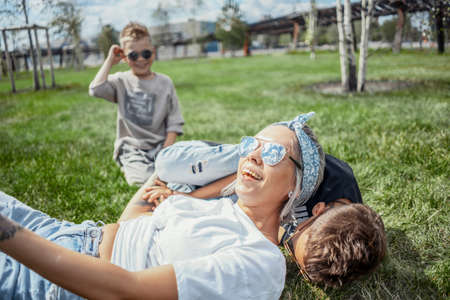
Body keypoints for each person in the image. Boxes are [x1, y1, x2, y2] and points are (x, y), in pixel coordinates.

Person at [0, 113, 386, 299]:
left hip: (61, 280)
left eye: (270, 151)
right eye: (250, 144)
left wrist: (8, 233)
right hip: (69, 233)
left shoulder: (262, 263)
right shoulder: (224, 208)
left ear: (296, 188)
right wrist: (156, 188)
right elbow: (136, 225)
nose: (252, 154)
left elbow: (126, 289)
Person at [89, 22, 184, 186]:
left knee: (183, 172)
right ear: (125, 57)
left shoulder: (165, 82)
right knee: (144, 181)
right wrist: (110, 60)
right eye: (133, 55)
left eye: (146, 53)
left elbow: (174, 124)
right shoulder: (121, 81)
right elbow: (95, 89)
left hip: (161, 147)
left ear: (153, 53)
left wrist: (165, 151)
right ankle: (130, 165)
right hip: (133, 149)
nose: (141, 59)